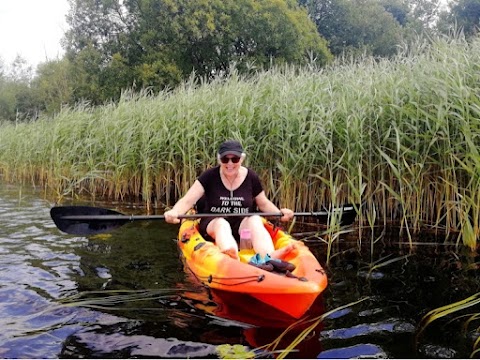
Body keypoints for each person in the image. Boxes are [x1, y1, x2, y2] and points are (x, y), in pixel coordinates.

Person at [164, 140, 296, 265]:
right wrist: (174, 212)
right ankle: (232, 257)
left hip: (242, 226)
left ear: (242, 159)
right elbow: (188, 200)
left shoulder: (251, 177)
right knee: (222, 224)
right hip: (213, 222)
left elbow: (263, 203)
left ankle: (269, 256)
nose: (230, 163)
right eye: (225, 159)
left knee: (255, 219)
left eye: (235, 159)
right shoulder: (209, 176)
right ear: (219, 159)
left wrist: (279, 213)